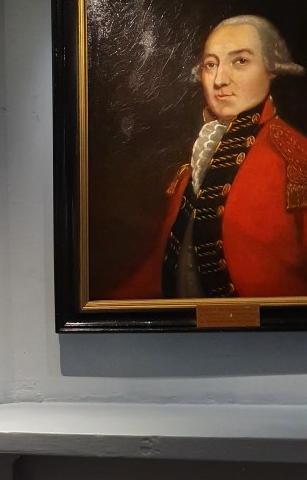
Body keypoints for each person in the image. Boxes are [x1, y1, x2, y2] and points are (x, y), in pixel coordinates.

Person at [114, 15, 307, 299]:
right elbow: (156, 272)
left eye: (240, 61)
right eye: (210, 65)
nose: (219, 80)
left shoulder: (296, 156)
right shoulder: (193, 166)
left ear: (271, 70)